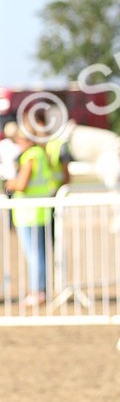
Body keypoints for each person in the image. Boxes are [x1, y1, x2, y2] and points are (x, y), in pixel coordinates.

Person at [4, 110, 57, 306]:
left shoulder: (30, 156)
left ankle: (37, 291)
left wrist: (10, 183)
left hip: (29, 213)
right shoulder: (41, 153)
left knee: (34, 255)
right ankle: (40, 290)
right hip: (39, 212)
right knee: (39, 254)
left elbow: (22, 184)